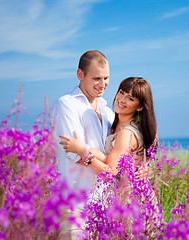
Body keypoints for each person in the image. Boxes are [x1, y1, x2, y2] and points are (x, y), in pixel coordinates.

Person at [59, 77, 161, 238]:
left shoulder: (126, 132)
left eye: (131, 98)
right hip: (127, 199)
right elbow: (110, 157)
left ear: (140, 107)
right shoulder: (115, 123)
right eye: (121, 92)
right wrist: (85, 146)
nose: (122, 99)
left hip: (132, 204)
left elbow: (110, 173)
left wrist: (83, 152)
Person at [52, 50, 114, 239]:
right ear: (80, 75)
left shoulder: (108, 111)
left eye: (106, 78)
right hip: (75, 208)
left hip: (104, 208)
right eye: (96, 78)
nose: (102, 84)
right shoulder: (67, 104)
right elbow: (76, 155)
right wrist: (112, 169)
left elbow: (120, 154)